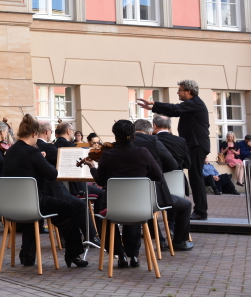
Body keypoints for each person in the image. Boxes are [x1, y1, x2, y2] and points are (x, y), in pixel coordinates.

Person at [3, 115, 89, 268]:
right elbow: (52, 174)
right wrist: (41, 158)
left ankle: (27, 256)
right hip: (35, 202)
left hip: (11, 204)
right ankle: (73, 254)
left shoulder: (11, 151)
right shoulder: (32, 152)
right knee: (70, 208)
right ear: (35, 134)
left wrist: (39, 157)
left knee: (35, 215)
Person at [83, 120, 163, 268]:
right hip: (140, 207)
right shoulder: (143, 152)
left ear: (115, 136)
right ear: (133, 135)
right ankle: (133, 255)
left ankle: (120, 254)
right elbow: (158, 176)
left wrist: (92, 167)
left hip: (114, 206)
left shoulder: (108, 155)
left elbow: (100, 181)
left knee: (102, 217)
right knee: (133, 212)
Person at [138, 79, 210, 220]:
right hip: (193, 145)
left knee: (196, 177)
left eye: (180, 90)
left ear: (188, 92)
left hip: (196, 145)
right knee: (194, 176)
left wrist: (154, 104)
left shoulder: (195, 103)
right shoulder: (191, 105)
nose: (178, 92)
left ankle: (201, 211)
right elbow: (175, 111)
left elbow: (175, 109)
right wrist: (154, 108)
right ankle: (189, 207)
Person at [133, 119, 193, 252]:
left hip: (131, 198)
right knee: (186, 205)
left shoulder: (122, 145)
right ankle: (179, 241)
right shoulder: (154, 141)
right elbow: (173, 164)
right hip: (156, 194)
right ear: (150, 131)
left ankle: (160, 240)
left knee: (147, 209)